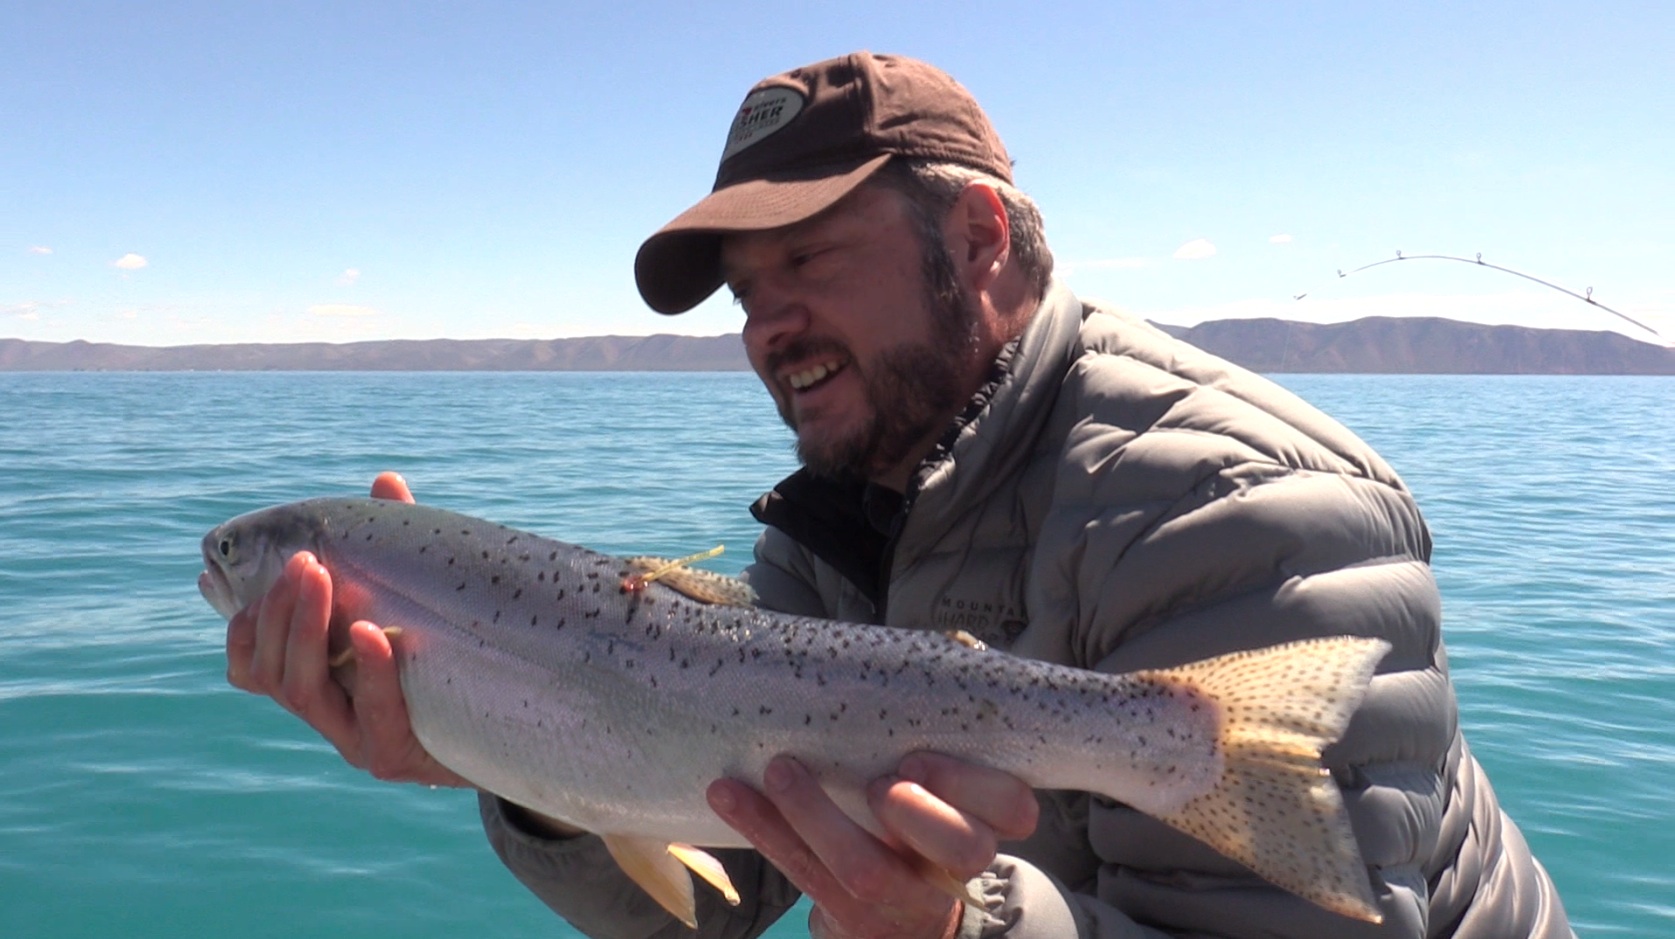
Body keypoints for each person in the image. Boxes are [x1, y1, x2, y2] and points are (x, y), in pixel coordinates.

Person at [225, 51, 1574, 939]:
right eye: (748, 294)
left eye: (811, 257)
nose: (772, 324)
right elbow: (721, 892)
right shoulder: (843, 517)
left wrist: (960, 923)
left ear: (982, 235)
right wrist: (507, 758)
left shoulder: (1238, 508)